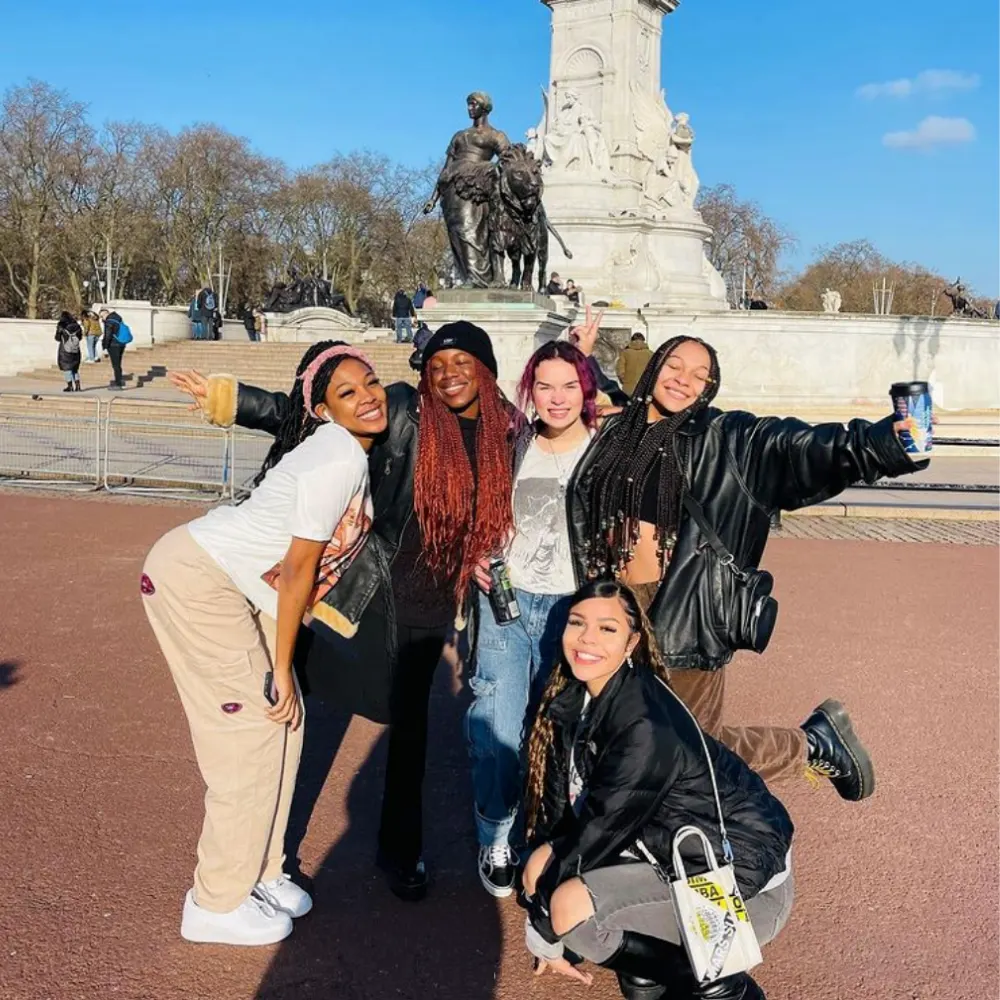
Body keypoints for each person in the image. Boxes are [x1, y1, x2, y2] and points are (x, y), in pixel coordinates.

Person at [170, 321, 519, 904]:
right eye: (437, 364)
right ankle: (260, 841)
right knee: (294, 693)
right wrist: (232, 402)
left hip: (434, 601)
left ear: (485, 370)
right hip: (368, 584)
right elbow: (312, 413)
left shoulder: (506, 433)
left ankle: (400, 851)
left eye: (462, 363)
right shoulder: (405, 410)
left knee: (409, 733)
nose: (448, 374)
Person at [570, 328, 928, 801]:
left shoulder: (728, 437)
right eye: (675, 366)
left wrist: (880, 443)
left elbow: (798, 446)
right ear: (653, 366)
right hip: (613, 606)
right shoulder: (615, 430)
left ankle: (812, 744)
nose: (683, 380)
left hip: (685, 607)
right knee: (617, 729)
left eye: (700, 375)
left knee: (690, 745)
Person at [142, 341, 388, 946]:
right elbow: (300, 568)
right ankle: (216, 901)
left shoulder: (343, 450)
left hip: (235, 585)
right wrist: (281, 665)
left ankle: (264, 872)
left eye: (370, 382)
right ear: (327, 411)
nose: (368, 397)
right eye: (347, 393)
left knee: (288, 721)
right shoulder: (338, 459)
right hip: (198, 579)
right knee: (249, 733)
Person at [521, 580, 793, 1000]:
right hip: (667, 853)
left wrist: (543, 930)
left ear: (632, 642)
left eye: (607, 629)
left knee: (568, 907)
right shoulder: (578, 698)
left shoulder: (643, 726)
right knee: (540, 868)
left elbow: (598, 831)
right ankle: (648, 971)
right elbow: (566, 817)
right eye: (577, 623)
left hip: (738, 885)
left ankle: (721, 983)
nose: (587, 638)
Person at [467, 339, 598, 898]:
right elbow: (479, 506)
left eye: (570, 385)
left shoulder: (605, 448)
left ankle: (553, 842)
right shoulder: (512, 442)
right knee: (497, 724)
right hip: (507, 602)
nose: (557, 397)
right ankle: (496, 835)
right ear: (529, 391)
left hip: (574, 609)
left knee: (565, 734)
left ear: (587, 390)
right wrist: (475, 550)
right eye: (544, 385)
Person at [616, 332, 654, 397]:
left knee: (628, 405)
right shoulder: (650, 354)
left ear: (632, 340)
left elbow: (620, 368)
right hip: (644, 386)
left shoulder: (625, 353)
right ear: (643, 341)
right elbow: (654, 369)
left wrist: (623, 379)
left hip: (629, 386)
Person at [99, 308, 127, 390]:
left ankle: (118, 384)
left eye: (102, 316)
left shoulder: (109, 321)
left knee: (115, 365)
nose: (102, 318)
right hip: (121, 343)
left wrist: (104, 347)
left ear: (105, 314)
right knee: (118, 364)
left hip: (113, 345)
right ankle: (119, 381)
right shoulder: (118, 318)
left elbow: (108, 335)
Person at [55, 311, 83, 392]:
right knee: (75, 368)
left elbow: (57, 338)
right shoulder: (77, 326)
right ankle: (78, 386)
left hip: (65, 350)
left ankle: (69, 386)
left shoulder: (61, 325)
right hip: (76, 349)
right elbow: (80, 337)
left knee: (67, 368)